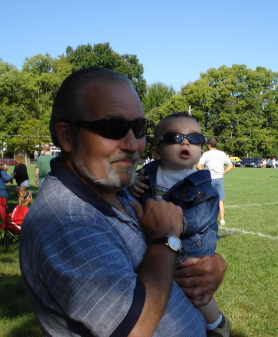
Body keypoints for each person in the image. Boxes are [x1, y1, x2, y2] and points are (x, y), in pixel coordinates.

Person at [19, 67, 226, 337]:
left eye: (138, 128)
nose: (133, 144)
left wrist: (211, 266)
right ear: (66, 136)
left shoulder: (118, 188)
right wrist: (166, 239)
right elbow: (134, 328)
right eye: (113, 128)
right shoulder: (65, 220)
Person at [133, 112, 230, 337]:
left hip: (191, 244)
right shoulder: (147, 174)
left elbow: (202, 218)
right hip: (159, 239)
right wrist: (132, 183)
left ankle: (216, 323)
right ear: (156, 152)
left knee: (194, 289)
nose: (185, 142)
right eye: (174, 137)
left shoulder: (202, 184)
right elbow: (134, 194)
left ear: (200, 152)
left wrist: (174, 224)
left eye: (194, 138)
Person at [196, 139, 233, 225]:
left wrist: (203, 174)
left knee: (206, 199)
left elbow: (198, 165)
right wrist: (223, 172)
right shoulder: (222, 153)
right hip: (219, 179)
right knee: (220, 200)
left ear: (208, 145)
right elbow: (230, 165)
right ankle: (222, 220)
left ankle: (205, 219)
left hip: (209, 179)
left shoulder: (206, 154)